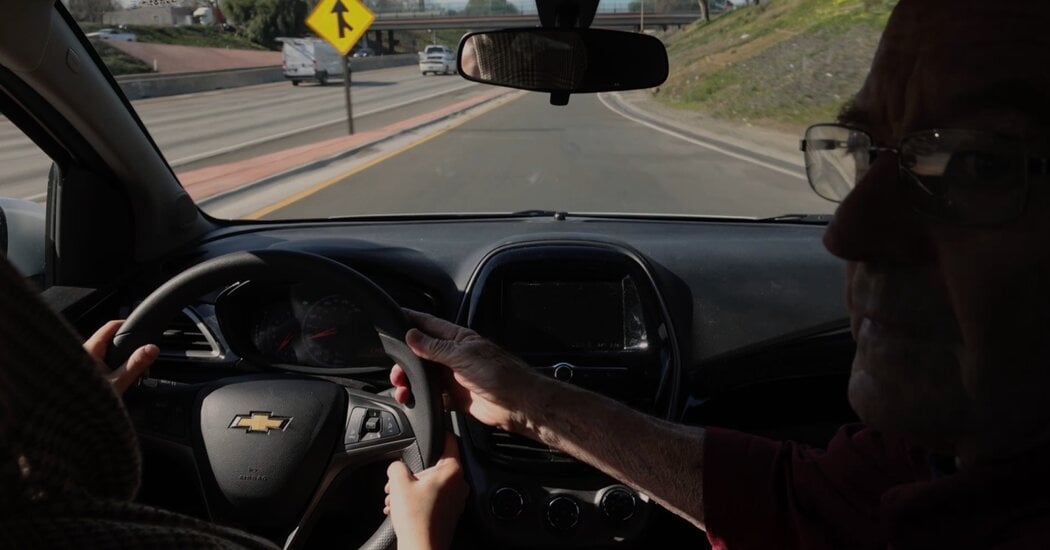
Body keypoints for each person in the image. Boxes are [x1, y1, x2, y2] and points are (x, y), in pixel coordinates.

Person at [383, 0, 1050, 547]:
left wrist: (420, 542)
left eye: (976, 165)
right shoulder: (936, 460)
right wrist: (525, 401)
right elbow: (791, 497)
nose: (847, 233)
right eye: (867, 152)